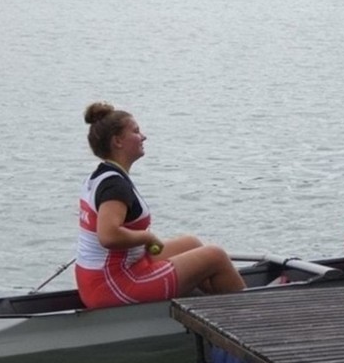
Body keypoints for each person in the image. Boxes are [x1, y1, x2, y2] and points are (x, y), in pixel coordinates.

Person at [75, 102, 246, 308]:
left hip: (107, 275)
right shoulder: (114, 186)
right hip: (113, 286)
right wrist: (147, 237)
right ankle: (252, 313)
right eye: (136, 131)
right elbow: (108, 236)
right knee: (215, 256)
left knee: (191, 243)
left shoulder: (101, 175)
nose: (143, 137)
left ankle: (218, 302)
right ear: (118, 141)